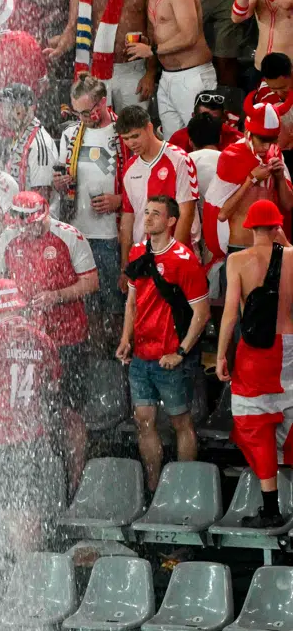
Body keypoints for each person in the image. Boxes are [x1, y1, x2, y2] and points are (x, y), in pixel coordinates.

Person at [0, 191, 100, 486]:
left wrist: (56, 296)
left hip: (67, 337)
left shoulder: (69, 237)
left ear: (44, 215)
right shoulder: (7, 239)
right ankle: (36, 480)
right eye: (21, 223)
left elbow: (92, 282)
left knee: (69, 412)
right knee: (29, 411)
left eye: (32, 222)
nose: (27, 229)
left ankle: (75, 480)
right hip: (26, 343)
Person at [119, 195, 210, 490]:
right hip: (142, 357)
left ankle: (183, 488)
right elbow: (132, 303)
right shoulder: (136, 253)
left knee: (180, 422)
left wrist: (181, 352)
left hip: (169, 357)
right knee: (143, 422)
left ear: (171, 221)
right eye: (146, 213)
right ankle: (153, 488)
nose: (147, 218)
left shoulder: (183, 259)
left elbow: (202, 311)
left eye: (155, 214)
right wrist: (125, 339)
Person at [216, 199, 293, 527]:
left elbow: (231, 313)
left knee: (254, 425)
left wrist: (221, 354)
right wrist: (286, 242)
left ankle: (271, 510)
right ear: (278, 225)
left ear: (249, 228)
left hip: (256, 353)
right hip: (290, 348)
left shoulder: (237, 260)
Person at [0, 279, 65, 549]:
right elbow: (54, 384)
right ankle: (27, 568)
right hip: (31, 436)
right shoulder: (42, 340)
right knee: (28, 507)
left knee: (3, 506)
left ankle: (11, 567)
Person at [57, 76, 132, 343]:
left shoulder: (123, 133)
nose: (83, 118)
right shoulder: (71, 134)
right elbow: (60, 182)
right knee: (86, 304)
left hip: (110, 235)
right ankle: (93, 350)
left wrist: (120, 200)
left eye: (88, 112)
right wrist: (60, 183)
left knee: (114, 300)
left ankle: (117, 350)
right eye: (77, 112)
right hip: (78, 233)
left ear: (103, 101)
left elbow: (142, 183)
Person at [128, 0, 216, 133]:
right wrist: (147, 43)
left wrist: (152, 50)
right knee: (173, 142)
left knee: (200, 140)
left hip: (192, 75)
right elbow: (161, 31)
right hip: (168, 77)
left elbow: (189, 36)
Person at [205, 101, 293, 276]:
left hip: (271, 245)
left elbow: (288, 205)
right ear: (248, 133)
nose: (267, 147)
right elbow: (222, 214)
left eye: (272, 141)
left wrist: (280, 177)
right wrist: (251, 180)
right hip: (241, 245)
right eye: (263, 141)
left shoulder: (275, 153)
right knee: (241, 303)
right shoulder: (230, 157)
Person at [117, 105, 198, 269]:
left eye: (135, 136)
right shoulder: (129, 167)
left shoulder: (179, 160)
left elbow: (186, 213)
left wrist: (173, 260)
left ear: (149, 128)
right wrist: (125, 263)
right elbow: (128, 216)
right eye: (125, 138)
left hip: (174, 257)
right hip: (141, 259)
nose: (131, 143)